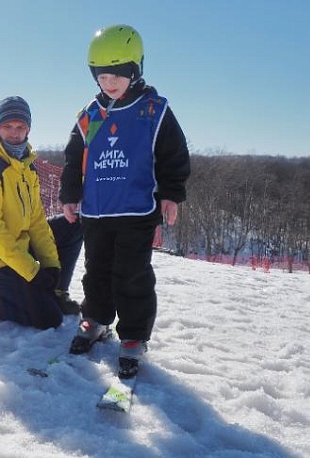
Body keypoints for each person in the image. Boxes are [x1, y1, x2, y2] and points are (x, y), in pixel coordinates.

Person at [60, 25, 190, 378]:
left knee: (131, 275)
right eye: (103, 74)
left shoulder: (153, 110)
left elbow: (173, 155)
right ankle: (97, 319)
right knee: (97, 271)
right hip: (97, 210)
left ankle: (133, 336)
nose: (111, 81)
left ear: (136, 71)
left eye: (119, 73)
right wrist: (70, 195)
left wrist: (171, 194)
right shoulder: (90, 115)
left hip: (136, 210)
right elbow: (74, 159)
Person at [0, 96, 66, 329]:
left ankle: (54, 292)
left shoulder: (27, 165)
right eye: (8, 126)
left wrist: (50, 265)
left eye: (20, 127)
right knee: (50, 318)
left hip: (17, 251)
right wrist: (33, 273)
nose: (14, 133)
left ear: (28, 129)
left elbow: (37, 220)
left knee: (72, 227)